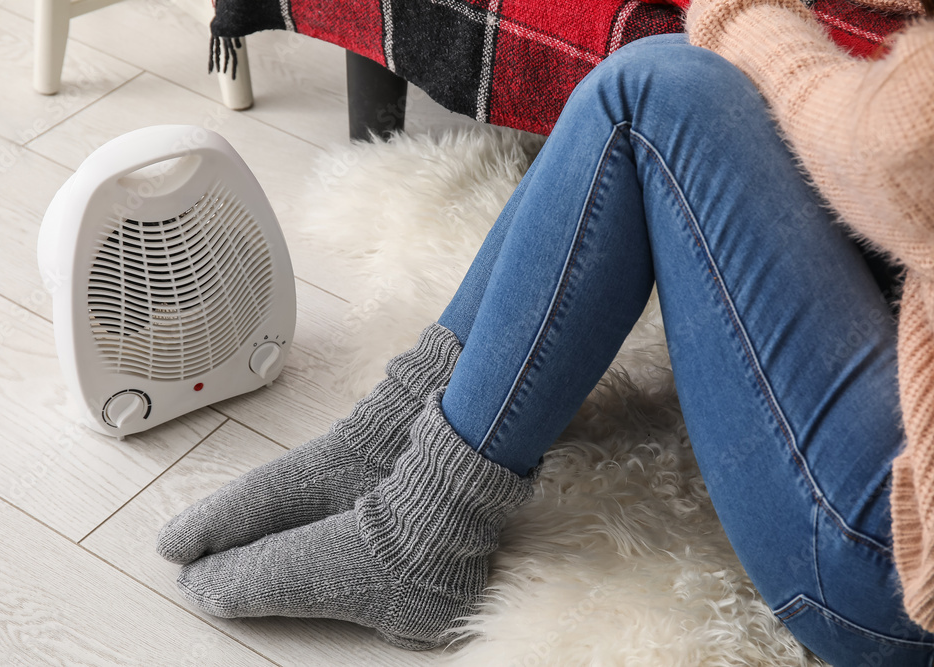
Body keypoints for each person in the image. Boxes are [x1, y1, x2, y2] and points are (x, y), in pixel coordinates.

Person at [156, 0, 934, 662]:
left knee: (650, 95)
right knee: (665, 72)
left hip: (885, 564)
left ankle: (419, 538)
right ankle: (385, 440)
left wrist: (740, 14)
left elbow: (895, 149)